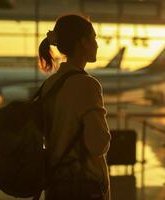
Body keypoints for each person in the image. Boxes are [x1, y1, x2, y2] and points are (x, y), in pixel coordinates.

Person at [38, 14, 111, 200]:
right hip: (82, 186)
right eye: (94, 39)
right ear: (83, 43)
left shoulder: (49, 85)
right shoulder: (87, 85)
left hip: (55, 184)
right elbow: (98, 144)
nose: (97, 45)